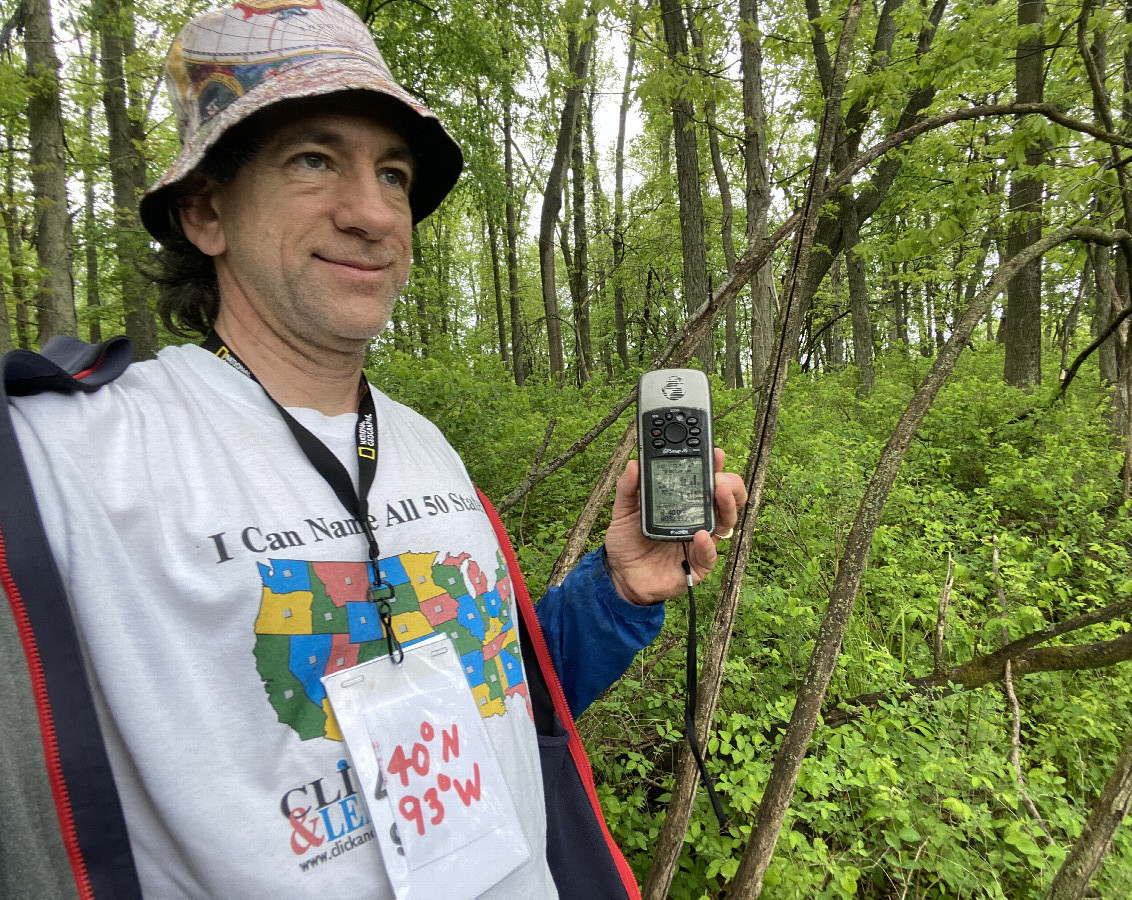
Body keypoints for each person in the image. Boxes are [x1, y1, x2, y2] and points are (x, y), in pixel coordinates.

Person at [0, 2, 747, 898]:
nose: (372, 213)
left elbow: (501, 705)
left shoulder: (425, 447)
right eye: (313, 160)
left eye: (393, 175)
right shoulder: (71, 457)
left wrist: (619, 588)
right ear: (205, 210)